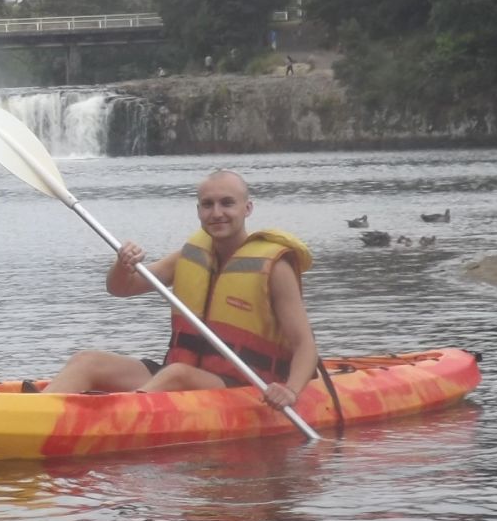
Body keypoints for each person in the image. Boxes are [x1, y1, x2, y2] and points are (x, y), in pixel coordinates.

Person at [42, 170, 319, 410]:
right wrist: (122, 264)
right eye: (207, 205)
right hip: (179, 374)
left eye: (227, 203)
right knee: (87, 360)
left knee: (177, 375)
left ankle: (120, 418)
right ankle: (35, 412)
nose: (217, 213)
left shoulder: (275, 267)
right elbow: (121, 289)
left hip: (242, 386)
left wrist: (291, 391)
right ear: (198, 210)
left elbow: (304, 345)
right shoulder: (190, 256)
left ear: (248, 208)